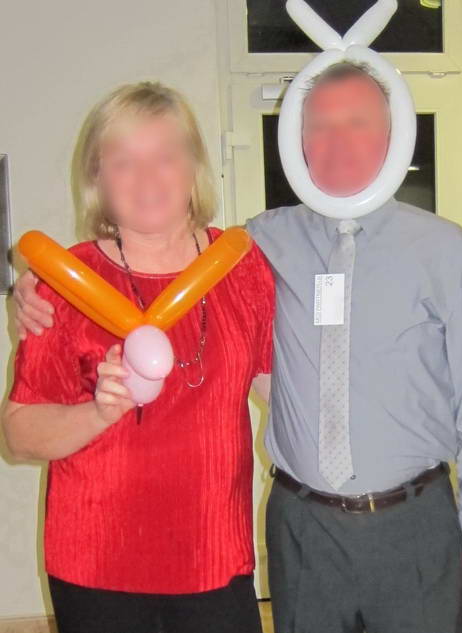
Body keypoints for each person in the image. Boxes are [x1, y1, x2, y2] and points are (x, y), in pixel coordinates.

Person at [15, 63, 462, 633]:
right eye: (320, 125)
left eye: (357, 122)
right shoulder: (246, 248)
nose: (338, 141)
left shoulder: (259, 259)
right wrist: (30, 281)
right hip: (158, 547)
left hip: (312, 539)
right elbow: (22, 428)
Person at [3, 82, 274, 633]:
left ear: (194, 166)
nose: (147, 177)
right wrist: (98, 412)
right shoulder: (64, 282)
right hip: (97, 561)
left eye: (165, 155)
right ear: (98, 179)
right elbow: (18, 434)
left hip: (213, 554)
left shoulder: (242, 267)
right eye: (124, 161)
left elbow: (282, 390)